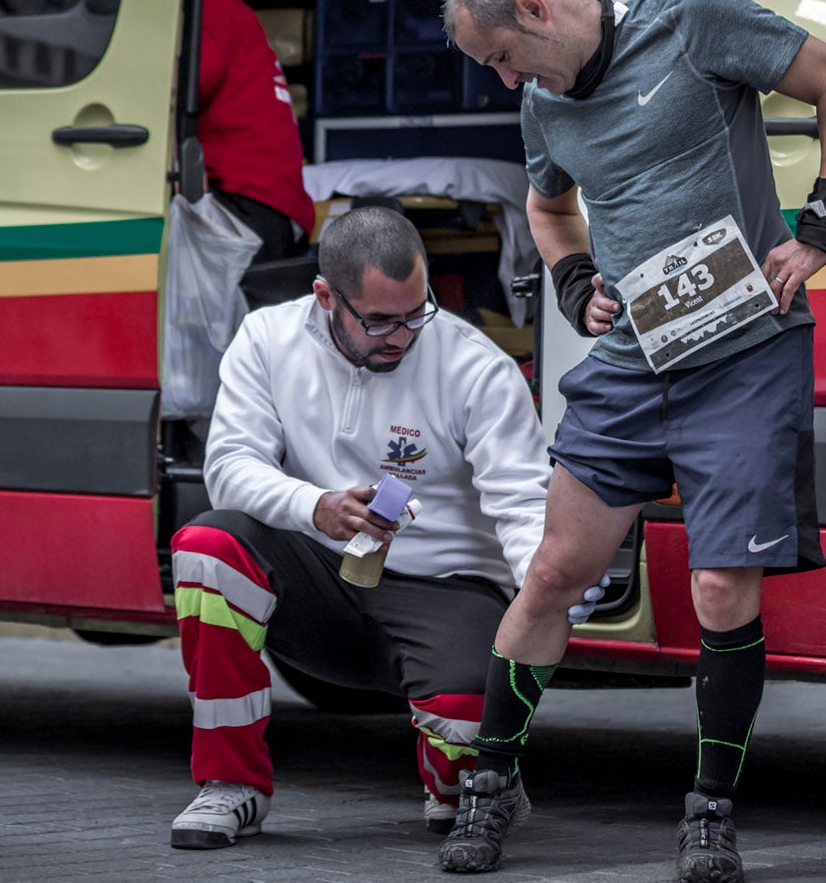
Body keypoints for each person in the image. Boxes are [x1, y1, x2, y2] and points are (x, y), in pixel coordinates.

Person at [436, 0, 826, 882]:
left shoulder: (694, 23)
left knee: (720, 590)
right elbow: (549, 211)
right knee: (555, 568)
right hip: (633, 365)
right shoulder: (543, 104)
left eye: (502, 57)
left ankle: (710, 810)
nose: (505, 79)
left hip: (745, 358)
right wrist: (577, 281)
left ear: (535, 8)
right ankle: (492, 778)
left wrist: (818, 233)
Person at [165, 205, 552, 849]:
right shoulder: (265, 338)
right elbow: (229, 468)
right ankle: (229, 787)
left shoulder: (475, 365)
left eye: (415, 313)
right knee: (209, 545)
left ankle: (467, 781)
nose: (400, 336)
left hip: (444, 589)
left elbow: (521, 502)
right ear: (324, 297)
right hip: (319, 577)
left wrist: (546, 591)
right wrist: (314, 506)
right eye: (378, 321)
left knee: (460, 751)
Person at [196, 0, 312, 261]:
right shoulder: (223, 5)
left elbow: (169, 97)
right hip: (276, 206)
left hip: (248, 205)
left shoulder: (197, 6)